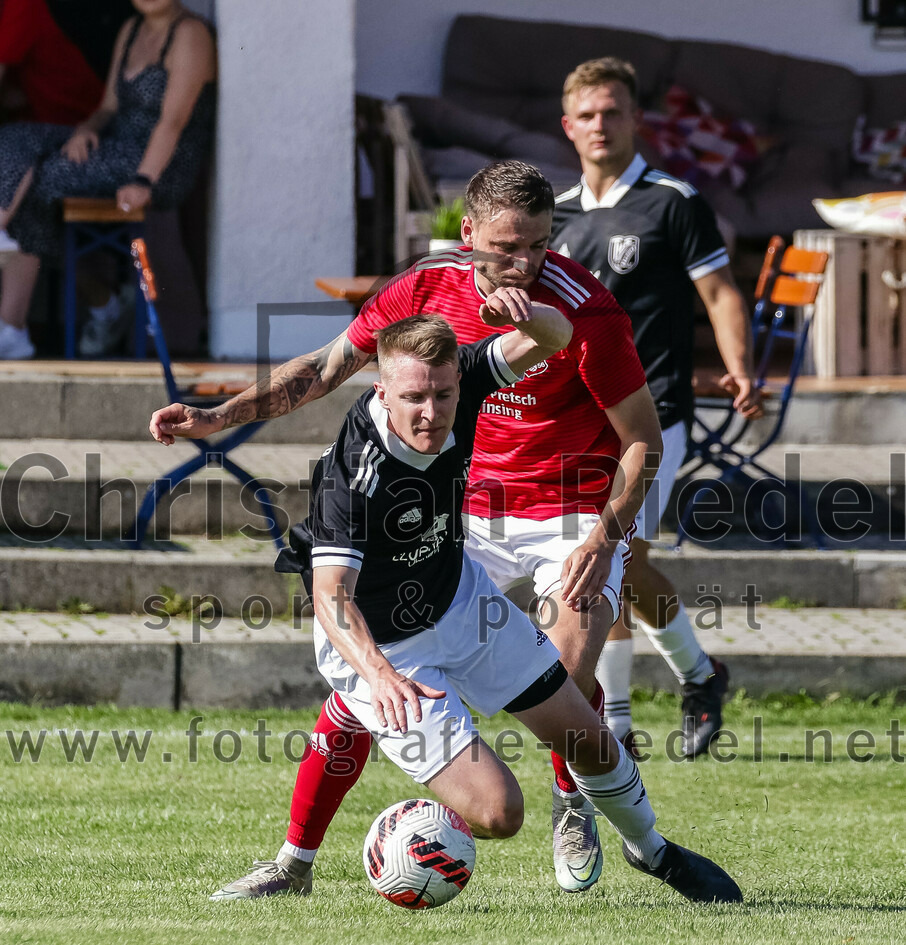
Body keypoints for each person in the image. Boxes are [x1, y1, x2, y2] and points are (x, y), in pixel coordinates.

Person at [151, 160, 665, 895]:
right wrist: (218, 416)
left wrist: (604, 537)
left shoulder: (587, 310)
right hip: (465, 504)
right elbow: (326, 367)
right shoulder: (425, 290)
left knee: (571, 659)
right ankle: (302, 851)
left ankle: (572, 797)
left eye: (541, 246)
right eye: (506, 247)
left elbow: (643, 437)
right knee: (381, 656)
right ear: (468, 234)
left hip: (567, 502)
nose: (524, 264)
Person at [218, 308, 743, 906]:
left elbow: (556, 338)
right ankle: (303, 858)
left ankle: (653, 850)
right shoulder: (358, 475)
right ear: (380, 390)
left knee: (589, 741)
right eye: (414, 397)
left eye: (443, 395)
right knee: (500, 813)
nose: (432, 412)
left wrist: (525, 308)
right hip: (387, 650)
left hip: (463, 604)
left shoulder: (464, 377)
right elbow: (331, 596)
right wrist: (379, 675)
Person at [552, 57, 764, 760]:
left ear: (636, 119)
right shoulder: (552, 217)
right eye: (588, 114)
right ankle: (691, 681)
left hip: (652, 414)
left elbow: (721, 294)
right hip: (573, 419)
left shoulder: (674, 202)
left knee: (613, 559)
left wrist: (738, 369)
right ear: (568, 127)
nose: (601, 125)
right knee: (606, 565)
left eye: (613, 111)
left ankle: (626, 719)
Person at [0, 0, 215, 359]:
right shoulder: (131, 30)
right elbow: (108, 108)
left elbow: (172, 121)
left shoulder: (190, 33)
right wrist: (85, 130)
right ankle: (11, 327)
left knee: (43, 174)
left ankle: (13, 320)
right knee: (16, 142)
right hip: (114, 149)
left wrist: (144, 180)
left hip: (158, 164)